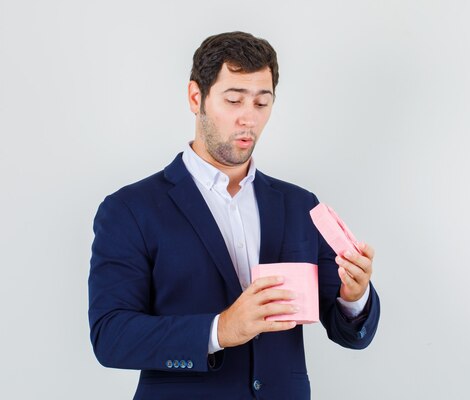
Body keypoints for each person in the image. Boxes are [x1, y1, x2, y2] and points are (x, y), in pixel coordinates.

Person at [88, 31, 380, 400]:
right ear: (197, 98)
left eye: (262, 103)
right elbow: (111, 336)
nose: (249, 118)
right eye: (233, 100)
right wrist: (220, 330)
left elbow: (349, 332)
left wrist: (354, 297)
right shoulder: (130, 209)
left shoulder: (299, 204)